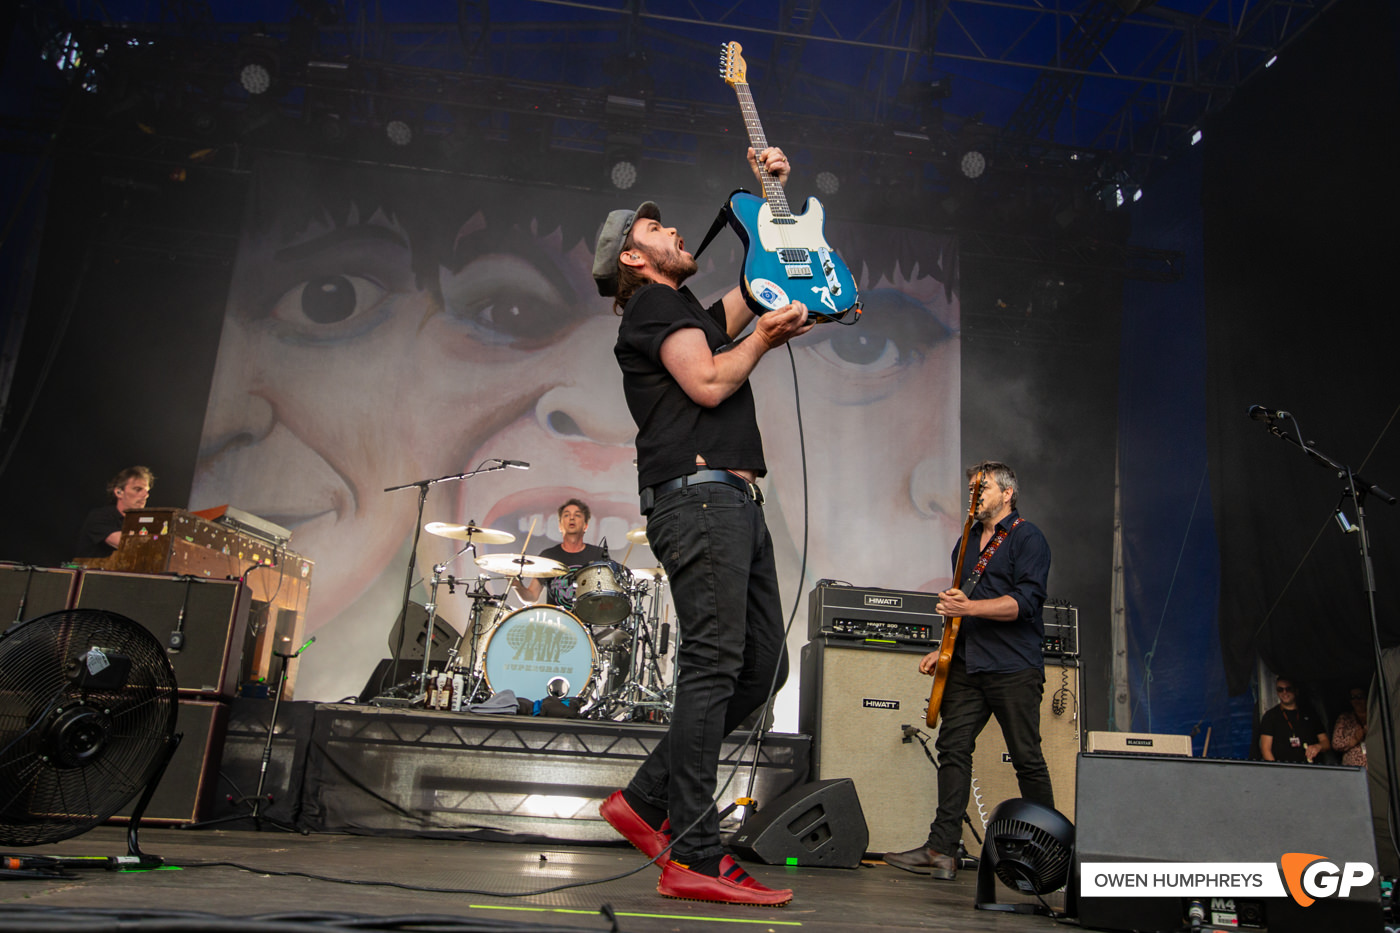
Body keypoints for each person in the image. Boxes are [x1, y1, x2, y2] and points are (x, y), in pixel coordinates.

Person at [590, 144, 811, 907]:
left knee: (762, 667)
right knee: (716, 663)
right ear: (634, 256)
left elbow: (758, 285)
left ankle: (643, 800)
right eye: (657, 228)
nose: (676, 230)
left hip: (731, 500)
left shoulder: (684, 311)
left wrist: (770, 194)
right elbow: (712, 380)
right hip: (701, 498)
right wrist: (765, 339)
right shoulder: (652, 308)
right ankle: (694, 851)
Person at [884, 460, 1052, 881]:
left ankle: (1048, 854)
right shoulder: (966, 542)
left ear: (1007, 494)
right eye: (972, 489)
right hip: (967, 663)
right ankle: (941, 850)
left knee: (1026, 758)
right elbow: (961, 608)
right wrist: (943, 648)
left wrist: (969, 608)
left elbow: (1025, 604)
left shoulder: (1028, 537)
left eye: (984, 488)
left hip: (1013, 666)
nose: (974, 496)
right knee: (952, 748)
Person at [510, 498, 607, 609]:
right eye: (566, 515)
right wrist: (517, 586)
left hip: (588, 618)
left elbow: (607, 596)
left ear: (585, 526)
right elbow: (532, 597)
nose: (572, 518)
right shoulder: (548, 556)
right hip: (556, 619)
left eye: (577, 515)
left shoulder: (598, 554)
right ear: (560, 526)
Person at [74, 466, 155, 559]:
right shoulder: (100, 516)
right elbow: (125, 543)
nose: (146, 495)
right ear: (118, 492)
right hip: (95, 568)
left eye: (147, 491)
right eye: (138, 489)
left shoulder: (142, 521)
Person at [1259, 677, 1329, 763]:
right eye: (1280, 689)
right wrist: (1277, 769)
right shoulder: (1270, 716)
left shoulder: (1309, 713)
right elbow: (1266, 750)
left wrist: (1318, 747)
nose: (1284, 692)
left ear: (1296, 690)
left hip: (1310, 767)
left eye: (1288, 689)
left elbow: (1325, 742)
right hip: (1283, 767)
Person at [1332, 686, 1368, 769]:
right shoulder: (1344, 718)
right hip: (1353, 767)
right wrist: (1354, 739)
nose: (1356, 701)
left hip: (1376, 767)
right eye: (1353, 698)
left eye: (1359, 697)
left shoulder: (1375, 717)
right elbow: (1336, 744)